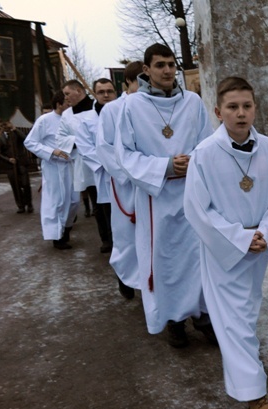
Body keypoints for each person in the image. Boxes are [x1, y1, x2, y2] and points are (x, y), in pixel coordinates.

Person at [184, 77, 268, 409]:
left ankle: (248, 378)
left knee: (247, 312)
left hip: (257, 249)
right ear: (218, 112)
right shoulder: (204, 154)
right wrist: (240, 237)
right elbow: (198, 209)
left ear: (255, 108)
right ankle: (254, 394)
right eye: (232, 107)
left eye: (246, 106)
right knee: (235, 322)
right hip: (223, 253)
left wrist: (267, 233)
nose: (241, 113)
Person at [115, 43, 216, 347]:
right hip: (156, 198)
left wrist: (193, 163)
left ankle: (203, 316)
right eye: (160, 65)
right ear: (146, 70)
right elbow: (126, 155)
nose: (168, 70)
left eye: (171, 64)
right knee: (165, 258)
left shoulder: (193, 103)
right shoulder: (132, 107)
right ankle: (173, 319)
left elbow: (207, 143)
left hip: (191, 193)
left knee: (198, 255)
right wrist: (166, 167)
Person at [95, 61, 144, 300]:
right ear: (128, 83)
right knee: (127, 236)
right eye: (139, 83)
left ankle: (148, 279)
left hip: (153, 181)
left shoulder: (152, 106)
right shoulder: (112, 110)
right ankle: (125, 275)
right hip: (128, 184)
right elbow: (104, 147)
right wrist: (131, 175)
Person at [24, 91, 74, 249]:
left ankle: (66, 229)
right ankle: (57, 237)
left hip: (71, 165)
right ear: (59, 104)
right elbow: (30, 142)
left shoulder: (72, 120)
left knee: (73, 200)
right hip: (54, 167)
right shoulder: (45, 120)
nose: (70, 106)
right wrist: (52, 151)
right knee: (56, 201)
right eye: (67, 103)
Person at [76, 78, 118, 254]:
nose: (106, 95)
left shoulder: (125, 113)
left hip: (128, 171)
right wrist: (110, 164)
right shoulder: (87, 120)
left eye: (110, 91)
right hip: (105, 173)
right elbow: (85, 148)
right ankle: (111, 243)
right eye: (101, 92)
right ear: (95, 94)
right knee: (107, 212)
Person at [54, 79, 94, 248]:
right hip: (82, 163)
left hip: (102, 160)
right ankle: (105, 241)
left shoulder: (96, 107)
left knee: (106, 202)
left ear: (78, 90)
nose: (66, 98)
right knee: (92, 199)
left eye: (67, 94)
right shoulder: (67, 114)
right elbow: (60, 138)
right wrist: (80, 140)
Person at [0, 120, 33, 213]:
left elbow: (25, 139)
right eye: (2, 124)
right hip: (10, 166)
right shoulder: (0, 136)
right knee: (15, 186)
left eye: (6, 123)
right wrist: (8, 159)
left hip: (21, 163)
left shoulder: (15, 133)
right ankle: (20, 206)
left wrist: (14, 129)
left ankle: (29, 204)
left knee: (25, 184)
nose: (5, 126)